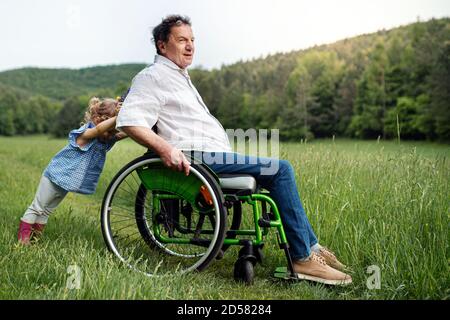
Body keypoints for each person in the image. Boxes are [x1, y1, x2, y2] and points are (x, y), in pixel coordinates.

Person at [116, 15, 352, 285]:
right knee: (281, 170)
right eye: (182, 40)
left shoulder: (179, 77)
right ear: (162, 45)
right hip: (197, 158)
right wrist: (165, 148)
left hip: (208, 155)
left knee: (276, 172)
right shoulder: (153, 76)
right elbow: (130, 121)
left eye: (192, 40)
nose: (190, 46)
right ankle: (302, 259)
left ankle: (312, 249)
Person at [17, 97, 127, 245]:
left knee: (47, 211)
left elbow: (121, 134)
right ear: (98, 119)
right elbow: (99, 130)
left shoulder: (104, 140)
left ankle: (35, 240)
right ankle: (23, 240)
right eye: (110, 128)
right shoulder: (86, 133)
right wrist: (117, 118)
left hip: (66, 182)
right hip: (53, 176)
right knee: (37, 207)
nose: (111, 134)